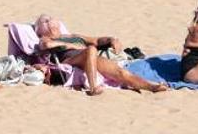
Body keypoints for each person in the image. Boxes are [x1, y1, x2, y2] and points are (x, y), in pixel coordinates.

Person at [33, 15, 168, 95]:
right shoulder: (46, 39)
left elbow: (96, 40)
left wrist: (110, 39)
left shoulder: (73, 36)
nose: (51, 23)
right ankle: (93, 88)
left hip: (89, 57)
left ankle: (151, 87)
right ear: (42, 29)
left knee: (120, 72)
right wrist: (73, 46)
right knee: (91, 49)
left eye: (51, 20)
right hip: (70, 60)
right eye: (46, 22)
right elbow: (46, 46)